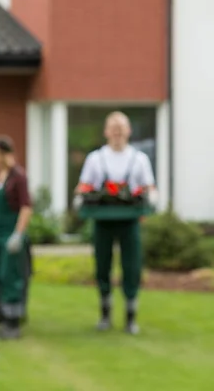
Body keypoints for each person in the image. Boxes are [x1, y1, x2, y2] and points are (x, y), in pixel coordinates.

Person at [74, 111, 157, 335]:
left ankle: (131, 316)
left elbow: (149, 187)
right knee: (102, 264)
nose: (118, 131)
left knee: (132, 266)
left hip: (129, 221)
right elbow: (83, 186)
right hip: (103, 220)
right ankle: (105, 313)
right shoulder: (96, 158)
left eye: (121, 127)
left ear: (129, 131)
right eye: (113, 127)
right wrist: (82, 197)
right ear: (106, 132)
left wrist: (149, 199)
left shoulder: (139, 159)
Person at [0, 135, 33, 339]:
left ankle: (13, 322)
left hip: (10, 235)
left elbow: (26, 207)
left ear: (4, 154)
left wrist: (18, 234)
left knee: (11, 277)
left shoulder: (18, 177)